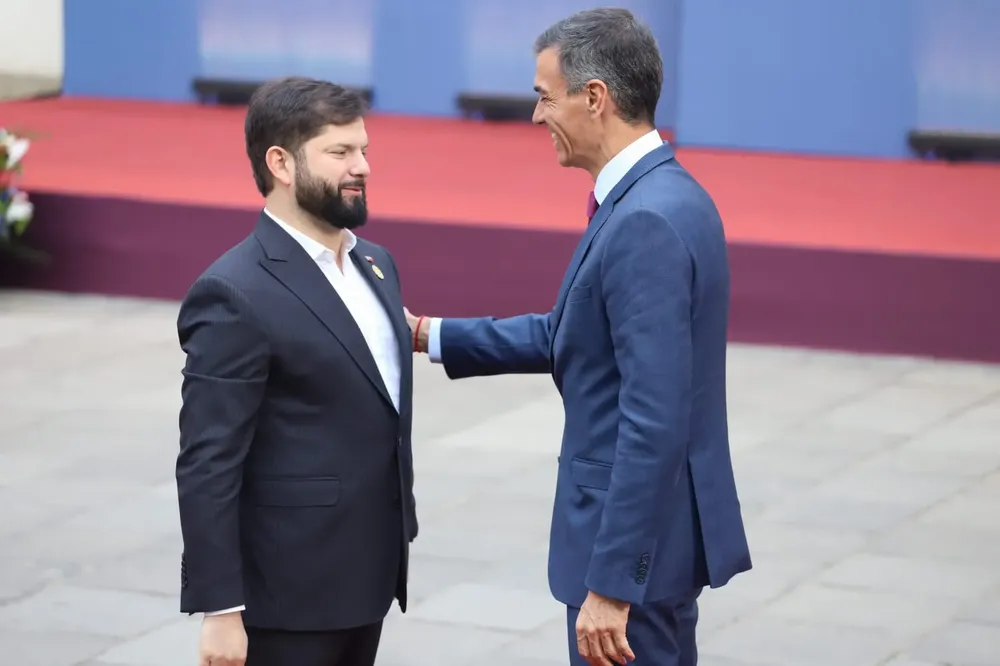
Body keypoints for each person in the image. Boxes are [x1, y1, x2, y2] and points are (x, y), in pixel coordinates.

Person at [405, 8, 750, 666]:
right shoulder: (667, 196)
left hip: (635, 567)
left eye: (544, 97)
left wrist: (614, 583)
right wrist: (427, 334)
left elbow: (653, 417)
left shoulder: (645, 221)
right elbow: (574, 335)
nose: (537, 118)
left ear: (595, 98)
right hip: (660, 546)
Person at [175, 76, 416, 666]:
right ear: (279, 163)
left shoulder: (377, 265)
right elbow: (208, 461)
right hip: (284, 598)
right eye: (339, 152)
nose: (361, 166)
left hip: (369, 579)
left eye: (363, 150)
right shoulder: (233, 291)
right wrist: (220, 609)